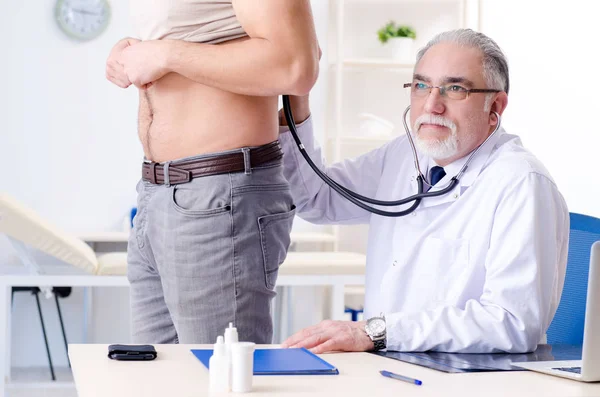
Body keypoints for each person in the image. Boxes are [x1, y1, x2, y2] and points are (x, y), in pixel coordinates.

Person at [279, 29, 569, 354]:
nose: (432, 104)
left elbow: (512, 322)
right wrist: (296, 100)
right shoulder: (405, 155)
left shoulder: (520, 182)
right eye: (421, 86)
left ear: (495, 107)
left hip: (472, 378)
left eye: (455, 88)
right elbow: (318, 199)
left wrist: (375, 332)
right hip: (389, 366)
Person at [104, 1, 320, 344]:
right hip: (156, 193)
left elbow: (295, 65)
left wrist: (166, 54)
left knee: (221, 380)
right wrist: (138, 51)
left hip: (218, 196)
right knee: (155, 379)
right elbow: (203, 36)